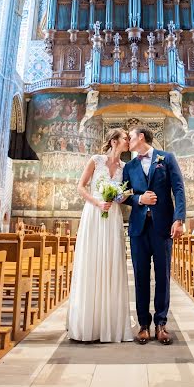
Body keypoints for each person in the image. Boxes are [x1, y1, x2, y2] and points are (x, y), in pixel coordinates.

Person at [67, 128, 133, 343]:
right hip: (94, 214)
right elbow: (81, 186)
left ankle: (110, 323)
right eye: (125, 138)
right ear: (114, 141)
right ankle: (89, 323)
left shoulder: (126, 167)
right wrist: (97, 202)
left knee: (111, 262)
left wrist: (120, 196)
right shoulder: (96, 160)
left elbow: (123, 196)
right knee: (92, 262)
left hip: (112, 215)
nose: (128, 141)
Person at [123, 126, 186, 345]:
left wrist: (179, 219)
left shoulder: (166, 158)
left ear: (141, 137)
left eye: (130, 137)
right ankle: (143, 325)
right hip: (138, 229)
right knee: (140, 276)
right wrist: (140, 200)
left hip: (162, 227)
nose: (128, 140)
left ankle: (161, 323)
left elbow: (178, 188)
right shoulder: (129, 166)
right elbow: (123, 194)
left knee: (163, 276)